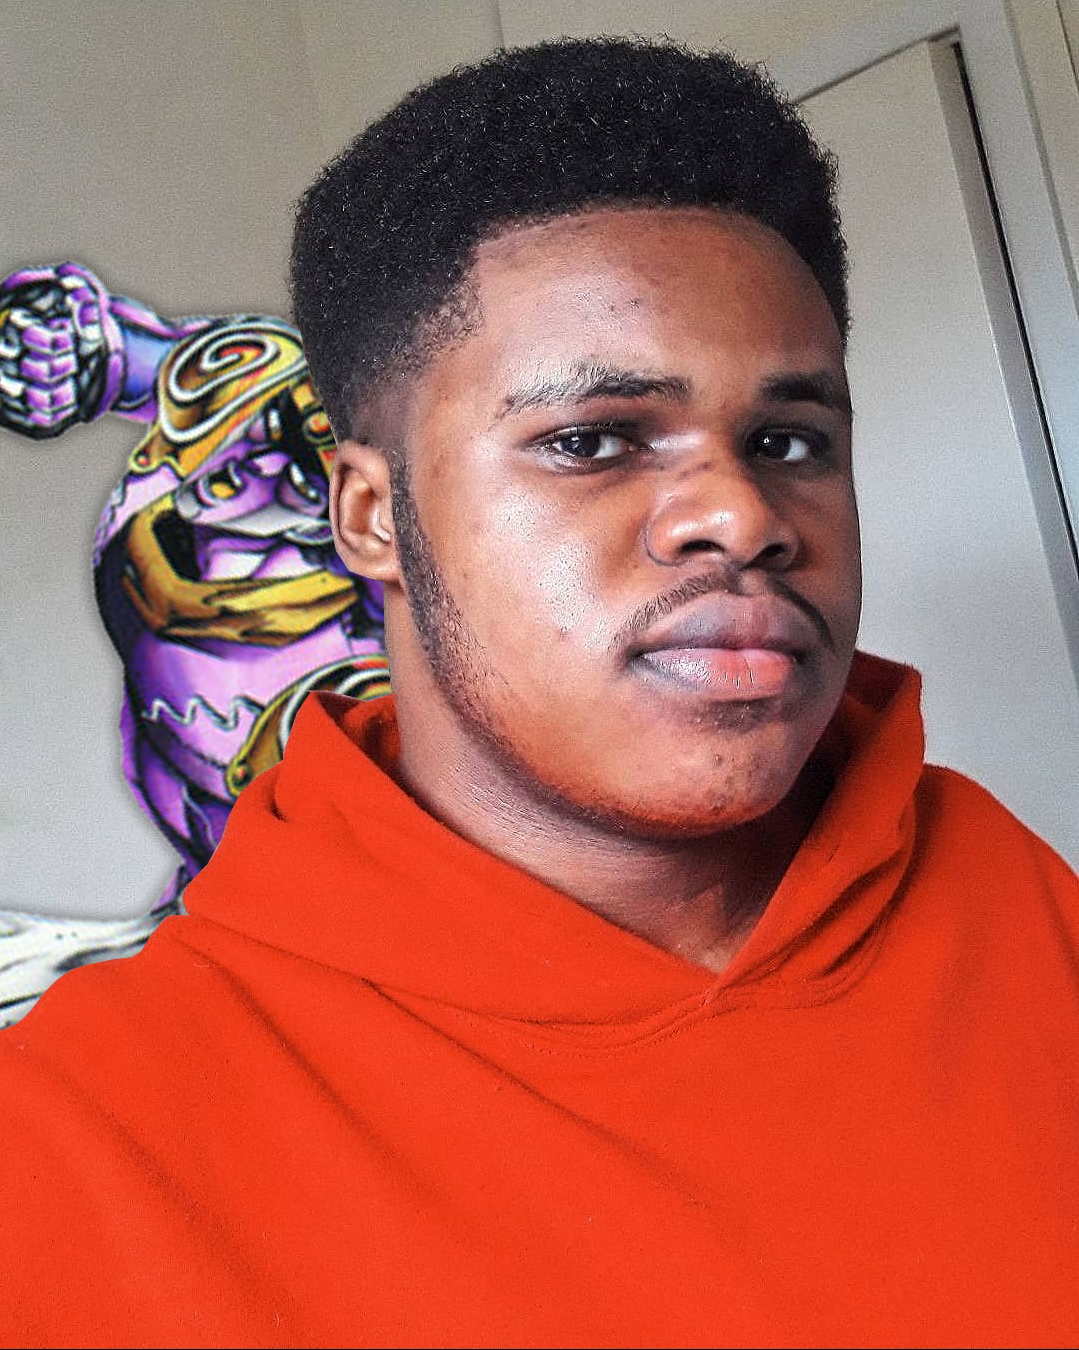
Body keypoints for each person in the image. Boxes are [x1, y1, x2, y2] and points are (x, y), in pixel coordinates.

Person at [2, 36, 1077, 1349]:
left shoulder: (1005, 887)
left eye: (786, 440)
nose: (741, 514)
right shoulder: (72, 1144)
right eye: (590, 440)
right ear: (370, 515)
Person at [0, 267, 389, 1023]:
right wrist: (53, 344)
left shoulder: (372, 662)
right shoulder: (261, 380)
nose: (269, 473)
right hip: (191, 940)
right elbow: (98, 348)